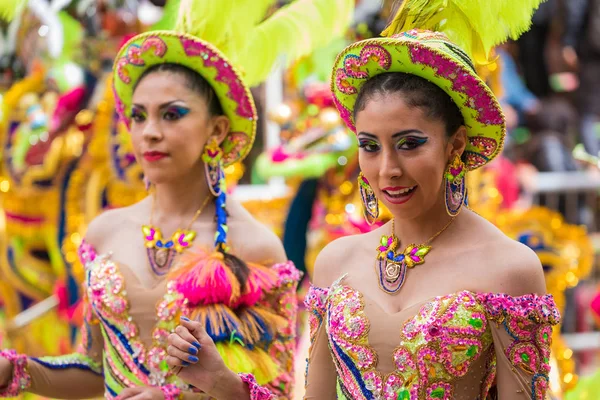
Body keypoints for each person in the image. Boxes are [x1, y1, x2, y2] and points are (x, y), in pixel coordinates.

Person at [166, 1, 561, 399]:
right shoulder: (337, 263)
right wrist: (219, 381)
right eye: (370, 146)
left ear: (454, 143)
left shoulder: (509, 269)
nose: (387, 169)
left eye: (410, 143)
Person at [0, 0, 356, 398]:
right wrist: (19, 370)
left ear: (217, 129)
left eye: (172, 115)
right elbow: (93, 369)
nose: (149, 132)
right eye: (138, 116)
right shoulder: (105, 231)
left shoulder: (255, 247)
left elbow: (274, 393)